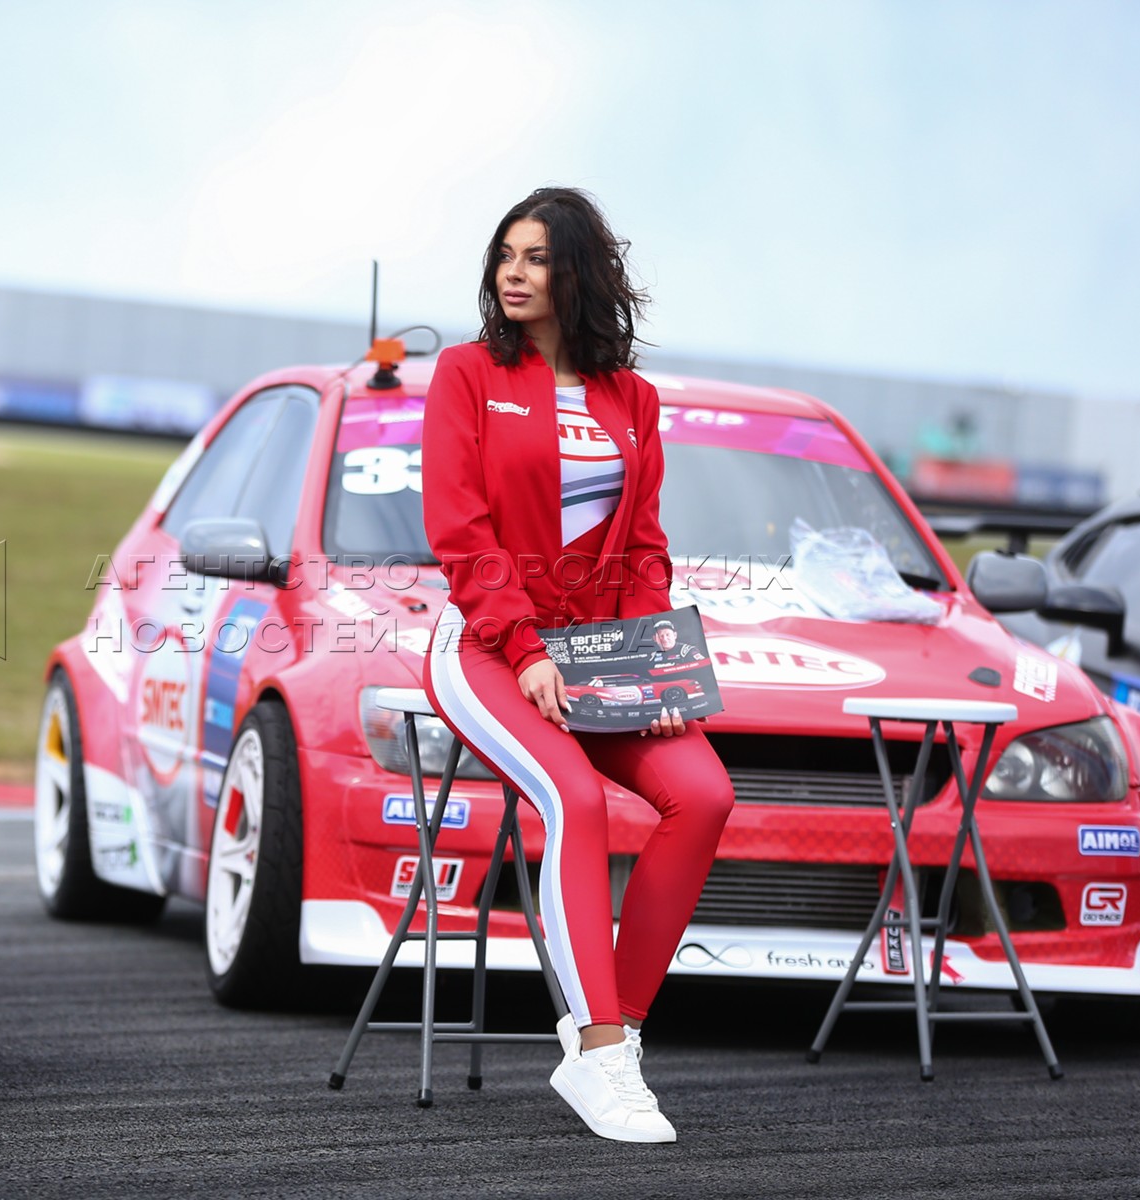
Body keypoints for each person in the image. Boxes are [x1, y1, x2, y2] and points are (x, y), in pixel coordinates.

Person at [420, 187, 735, 1143]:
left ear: (578, 275)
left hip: (601, 655)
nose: (513, 273)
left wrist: (655, 678)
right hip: (484, 647)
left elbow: (643, 547)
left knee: (705, 796)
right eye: (505, 256)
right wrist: (521, 649)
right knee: (578, 799)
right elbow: (461, 532)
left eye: (536, 258)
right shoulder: (467, 374)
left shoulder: (631, 398)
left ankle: (622, 1039)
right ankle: (593, 1050)